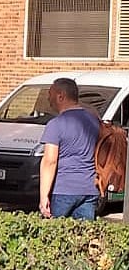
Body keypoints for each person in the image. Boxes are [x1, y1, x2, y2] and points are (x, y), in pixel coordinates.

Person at [39, 77, 101, 220]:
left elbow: (50, 162)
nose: (48, 99)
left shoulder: (56, 124)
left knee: (53, 236)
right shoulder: (94, 120)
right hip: (89, 189)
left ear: (60, 96)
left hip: (64, 189)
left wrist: (43, 197)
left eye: (50, 94)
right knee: (83, 237)